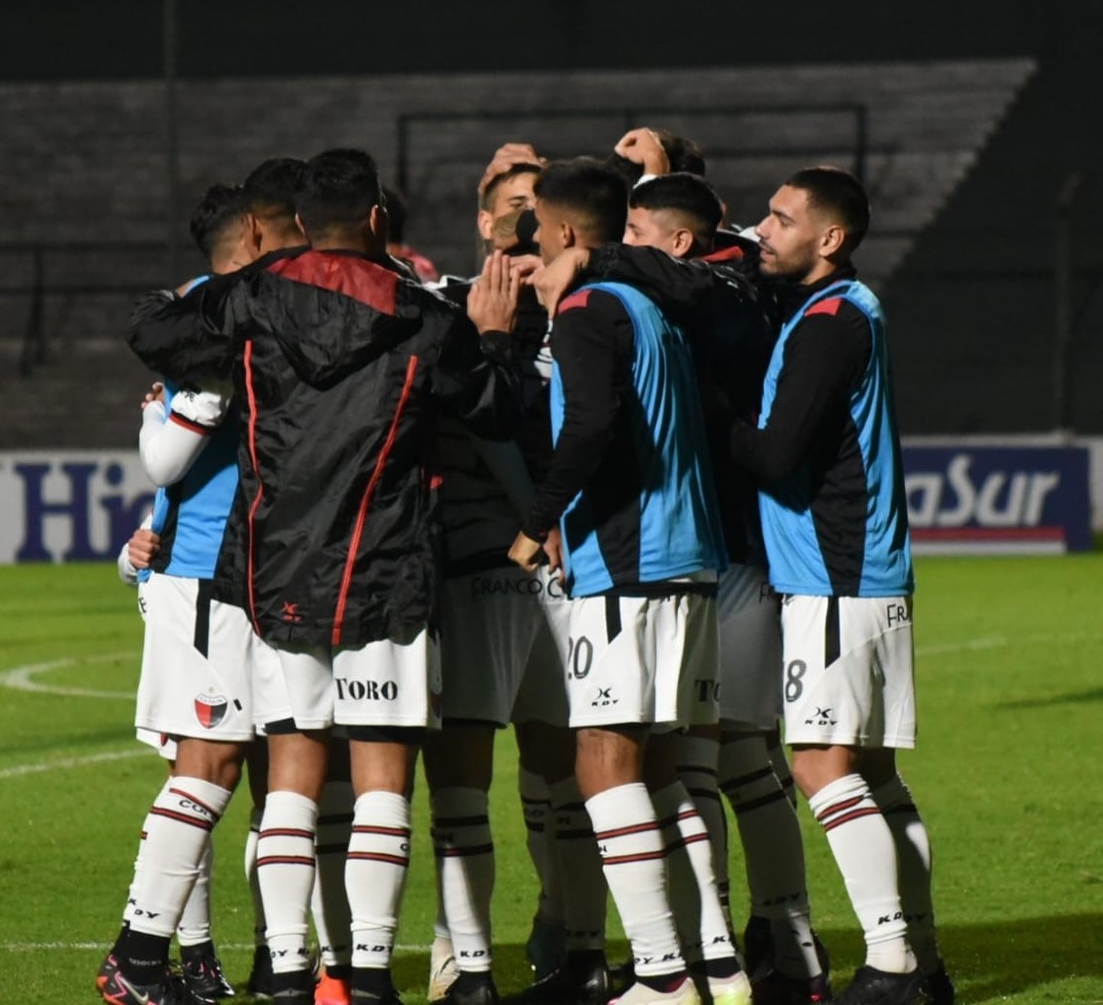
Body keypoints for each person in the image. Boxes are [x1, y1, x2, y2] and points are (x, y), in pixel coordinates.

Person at [128, 148, 523, 1005]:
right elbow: (497, 407)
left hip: (277, 571)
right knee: (382, 778)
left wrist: (240, 316)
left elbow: (150, 331)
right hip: (390, 565)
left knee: (293, 773)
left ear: (299, 226)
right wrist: (491, 335)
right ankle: (372, 972)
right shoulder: (424, 316)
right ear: (378, 220)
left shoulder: (256, 298)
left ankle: (283, 966)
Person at [508, 157, 737, 1005]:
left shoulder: (587, 307)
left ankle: (662, 976)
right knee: (665, 770)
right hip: (685, 558)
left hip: (628, 563)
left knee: (601, 761)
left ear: (566, 231)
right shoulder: (654, 307)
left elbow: (593, 425)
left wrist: (535, 524)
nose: (530, 237)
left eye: (536, 221)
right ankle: (712, 961)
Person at [721, 167, 948, 1005]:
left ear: (830, 239)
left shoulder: (827, 322)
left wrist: (709, 412)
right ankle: (920, 960)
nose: (761, 230)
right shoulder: (836, 311)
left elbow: (776, 454)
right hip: (862, 568)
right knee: (876, 777)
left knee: (818, 765)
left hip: (833, 568)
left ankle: (890, 962)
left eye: (780, 220)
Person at [618, 172, 832, 1001]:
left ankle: (727, 952)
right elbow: (705, 234)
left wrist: (588, 241)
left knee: (714, 761)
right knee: (740, 759)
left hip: (721, 550)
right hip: (745, 545)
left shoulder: (716, 298)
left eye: (639, 230)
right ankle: (779, 942)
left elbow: (676, 253)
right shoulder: (748, 278)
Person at [96, 184, 261, 1005]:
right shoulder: (216, 314)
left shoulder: (200, 305)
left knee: (223, 767)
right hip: (204, 575)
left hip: (223, 570)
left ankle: (195, 961)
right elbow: (165, 460)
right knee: (209, 764)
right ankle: (147, 957)